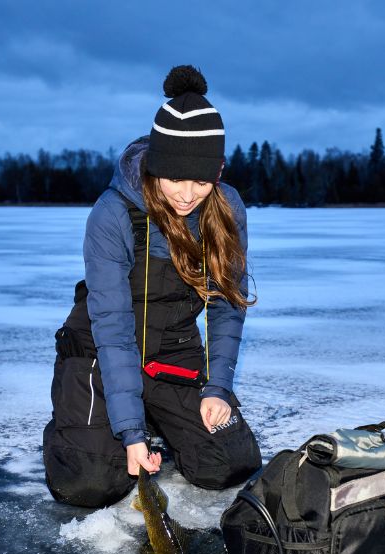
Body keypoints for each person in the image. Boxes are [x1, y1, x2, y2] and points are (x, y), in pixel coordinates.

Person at [71, 64, 261, 495]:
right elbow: (114, 328)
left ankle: (160, 413)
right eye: (175, 177)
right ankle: (102, 416)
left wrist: (217, 388)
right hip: (103, 350)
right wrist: (130, 430)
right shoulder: (113, 213)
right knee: (90, 484)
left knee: (230, 464)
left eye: (201, 180)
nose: (187, 194)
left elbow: (227, 306)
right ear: (155, 167)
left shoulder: (226, 208)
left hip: (172, 351)